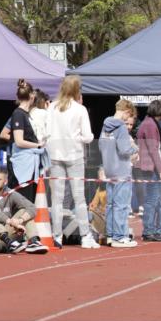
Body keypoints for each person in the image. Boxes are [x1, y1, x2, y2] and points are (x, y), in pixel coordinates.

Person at [46, 76, 97, 250]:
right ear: (77, 90)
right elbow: (89, 136)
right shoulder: (80, 109)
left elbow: (45, 132)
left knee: (57, 199)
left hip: (55, 154)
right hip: (74, 155)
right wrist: (78, 138)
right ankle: (85, 236)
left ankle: (57, 235)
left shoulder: (51, 107)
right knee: (79, 198)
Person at [0, 166, 48, 255]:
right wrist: (10, 221)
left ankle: (34, 241)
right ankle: (9, 243)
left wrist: (19, 220)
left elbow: (32, 207)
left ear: (5, 181)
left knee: (23, 211)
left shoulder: (10, 193)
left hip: (8, 235)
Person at [98, 98, 138, 248]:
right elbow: (124, 149)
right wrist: (135, 148)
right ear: (127, 112)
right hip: (121, 168)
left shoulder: (105, 125)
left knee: (110, 204)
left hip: (109, 168)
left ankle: (110, 234)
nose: (128, 121)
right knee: (121, 204)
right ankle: (119, 236)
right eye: (129, 116)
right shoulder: (120, 127)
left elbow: (101, 146)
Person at [0, 80, 45, 202]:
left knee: (27, 200)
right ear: (32, 96)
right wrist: (38, 145)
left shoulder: (23, 114)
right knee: (23, 201)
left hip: (27, 165)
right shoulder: (19, 114)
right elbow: (19, 141)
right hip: (22, 166)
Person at [138, 99, 161, 242]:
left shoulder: (146, 123)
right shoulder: (151, 125)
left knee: (152, 200)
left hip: (148, 166)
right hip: (151, 167)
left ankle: (150, 229)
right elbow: (154, 150)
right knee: (152, 200)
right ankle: (149, 230)